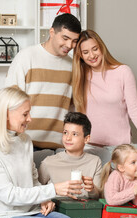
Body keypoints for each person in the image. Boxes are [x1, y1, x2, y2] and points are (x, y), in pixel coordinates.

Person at [0, 86, 84, 218]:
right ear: (6, 114)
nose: (30, 119)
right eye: (25, 114)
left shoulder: (25, 140)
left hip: (31, 211)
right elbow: (8, 195)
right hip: (2, 216)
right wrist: (53, 190)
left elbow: (33, 180)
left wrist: (44, 199)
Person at [5, 13, 81, 150]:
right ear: (52, 32)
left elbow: (73, 107)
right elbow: (10, 101)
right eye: (65, 38)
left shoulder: (73, 66)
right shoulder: (26, 57)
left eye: (74, 41)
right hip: (24, 143)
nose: (70, 45)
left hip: (58, 146)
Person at [72, 30, 137, 147]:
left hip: (119, 146)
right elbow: (77, 112)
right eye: (85, 52)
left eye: (95, 49)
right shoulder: (80, 76)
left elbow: (134, 109)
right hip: (89, 145)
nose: (92, 55)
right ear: (80, 56)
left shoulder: (123, 71)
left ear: (101, 48)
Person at [38, 112, 114, 218]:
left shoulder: (95, 161)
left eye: (74, 134)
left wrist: (92, 189)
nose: (68, 138)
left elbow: (98, 195)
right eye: (65, 132)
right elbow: (37, 191)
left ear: (86, 138)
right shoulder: (49, 162)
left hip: (88, 212)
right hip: (64, 213)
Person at [101, 144, 137, 218]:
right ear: (121, 167)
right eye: (133, 162)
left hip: (129, 216)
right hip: (113, 216)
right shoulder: (116, 176)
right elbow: (111, 199)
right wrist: (134, 190)